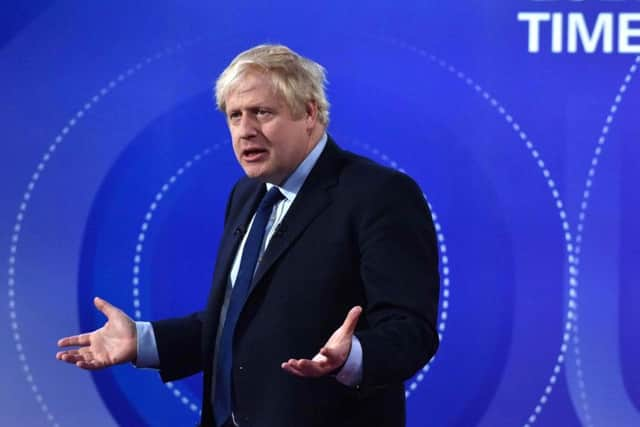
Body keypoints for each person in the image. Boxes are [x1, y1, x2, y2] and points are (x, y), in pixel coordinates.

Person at [56, 44, 440, 427]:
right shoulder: (247, 195)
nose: (245, 130)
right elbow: (239, 321)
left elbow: (411, 329)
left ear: (309, 112)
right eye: (235, 115)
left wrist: (354, 356)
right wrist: (143, 341)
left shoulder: (379, 194)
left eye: (262, 112)